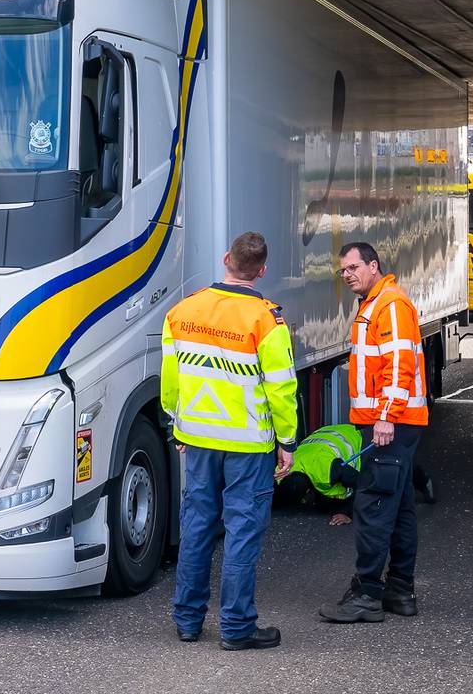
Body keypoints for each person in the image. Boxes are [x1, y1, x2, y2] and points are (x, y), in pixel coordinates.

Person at [161, 231, 298, 650]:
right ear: (261, 271)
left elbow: (171, 381)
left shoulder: (182, 311)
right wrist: (287, 441)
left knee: (197, 527)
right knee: (241, 531)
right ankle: (236, 628)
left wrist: (176, 426)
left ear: (225, 259)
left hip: (198, 440)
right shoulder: (265, 319)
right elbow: (281, 389)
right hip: (248, 447)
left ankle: (187, 621)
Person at [319, 242, 428, 625]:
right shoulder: (375, 303)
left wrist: (386, 416)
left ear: (373, 265)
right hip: (395, 423)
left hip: (391, 425)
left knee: (374, 507)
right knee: (398, 510)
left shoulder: (390, 305)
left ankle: (366, 594)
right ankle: (400, 592)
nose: (347, 275)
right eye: (342, 270)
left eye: (353, 267)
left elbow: (401, 364)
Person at [274, 422, 436, 525]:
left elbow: (363, 484)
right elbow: (276, 499)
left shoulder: (329, 469)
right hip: (325, 437)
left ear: (309, 487)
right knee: (324, 504)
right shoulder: (282, 472)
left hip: (352, 436)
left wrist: (348, 513)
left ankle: (420, 477)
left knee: (386, 466)